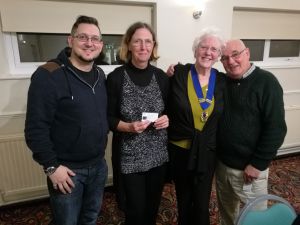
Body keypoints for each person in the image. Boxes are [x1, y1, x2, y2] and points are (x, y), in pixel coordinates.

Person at [24, 15, 108, 225]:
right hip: (67, 171)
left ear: (101, 45)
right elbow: (35, 128)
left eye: (95, 39)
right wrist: (51, 167)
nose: (89, 43)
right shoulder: (48, 75)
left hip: (98, 166)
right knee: (66, 222)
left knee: (90, 217)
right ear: (70, 40)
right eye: (83, 37)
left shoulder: (100, 75)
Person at [215, 39, 287, 225]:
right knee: (227, 216)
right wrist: (176, 70)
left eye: (236, 54)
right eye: (225, 58)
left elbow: (276, 128)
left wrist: (258, 163)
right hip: (222, 167)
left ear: (247, 53)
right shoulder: (222, 81)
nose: (231, 61)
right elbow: (199, 69)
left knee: (254, 220)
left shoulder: (267, 82)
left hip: (249, 170)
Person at [106, 22, 169, 225]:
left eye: (148, 41)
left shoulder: (161, 77)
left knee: (152, 208)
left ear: (153, 46)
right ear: (129, 45)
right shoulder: (116, 78)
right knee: (134, 211)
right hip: (130, 158)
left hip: (158, 157)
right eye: (138, 41)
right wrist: (128, 127)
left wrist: (168, 118)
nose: (143, 46)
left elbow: (171, 111)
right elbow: (107, 118)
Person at [167, 28, 225, 225]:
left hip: (207, 151)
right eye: (204, 47)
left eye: (214, 49)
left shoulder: (222, 81)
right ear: (195, 50)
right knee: (183, 199)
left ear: (218, 55)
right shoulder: (179, 73)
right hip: (181, 150)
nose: (208, 52)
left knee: (202, 201)